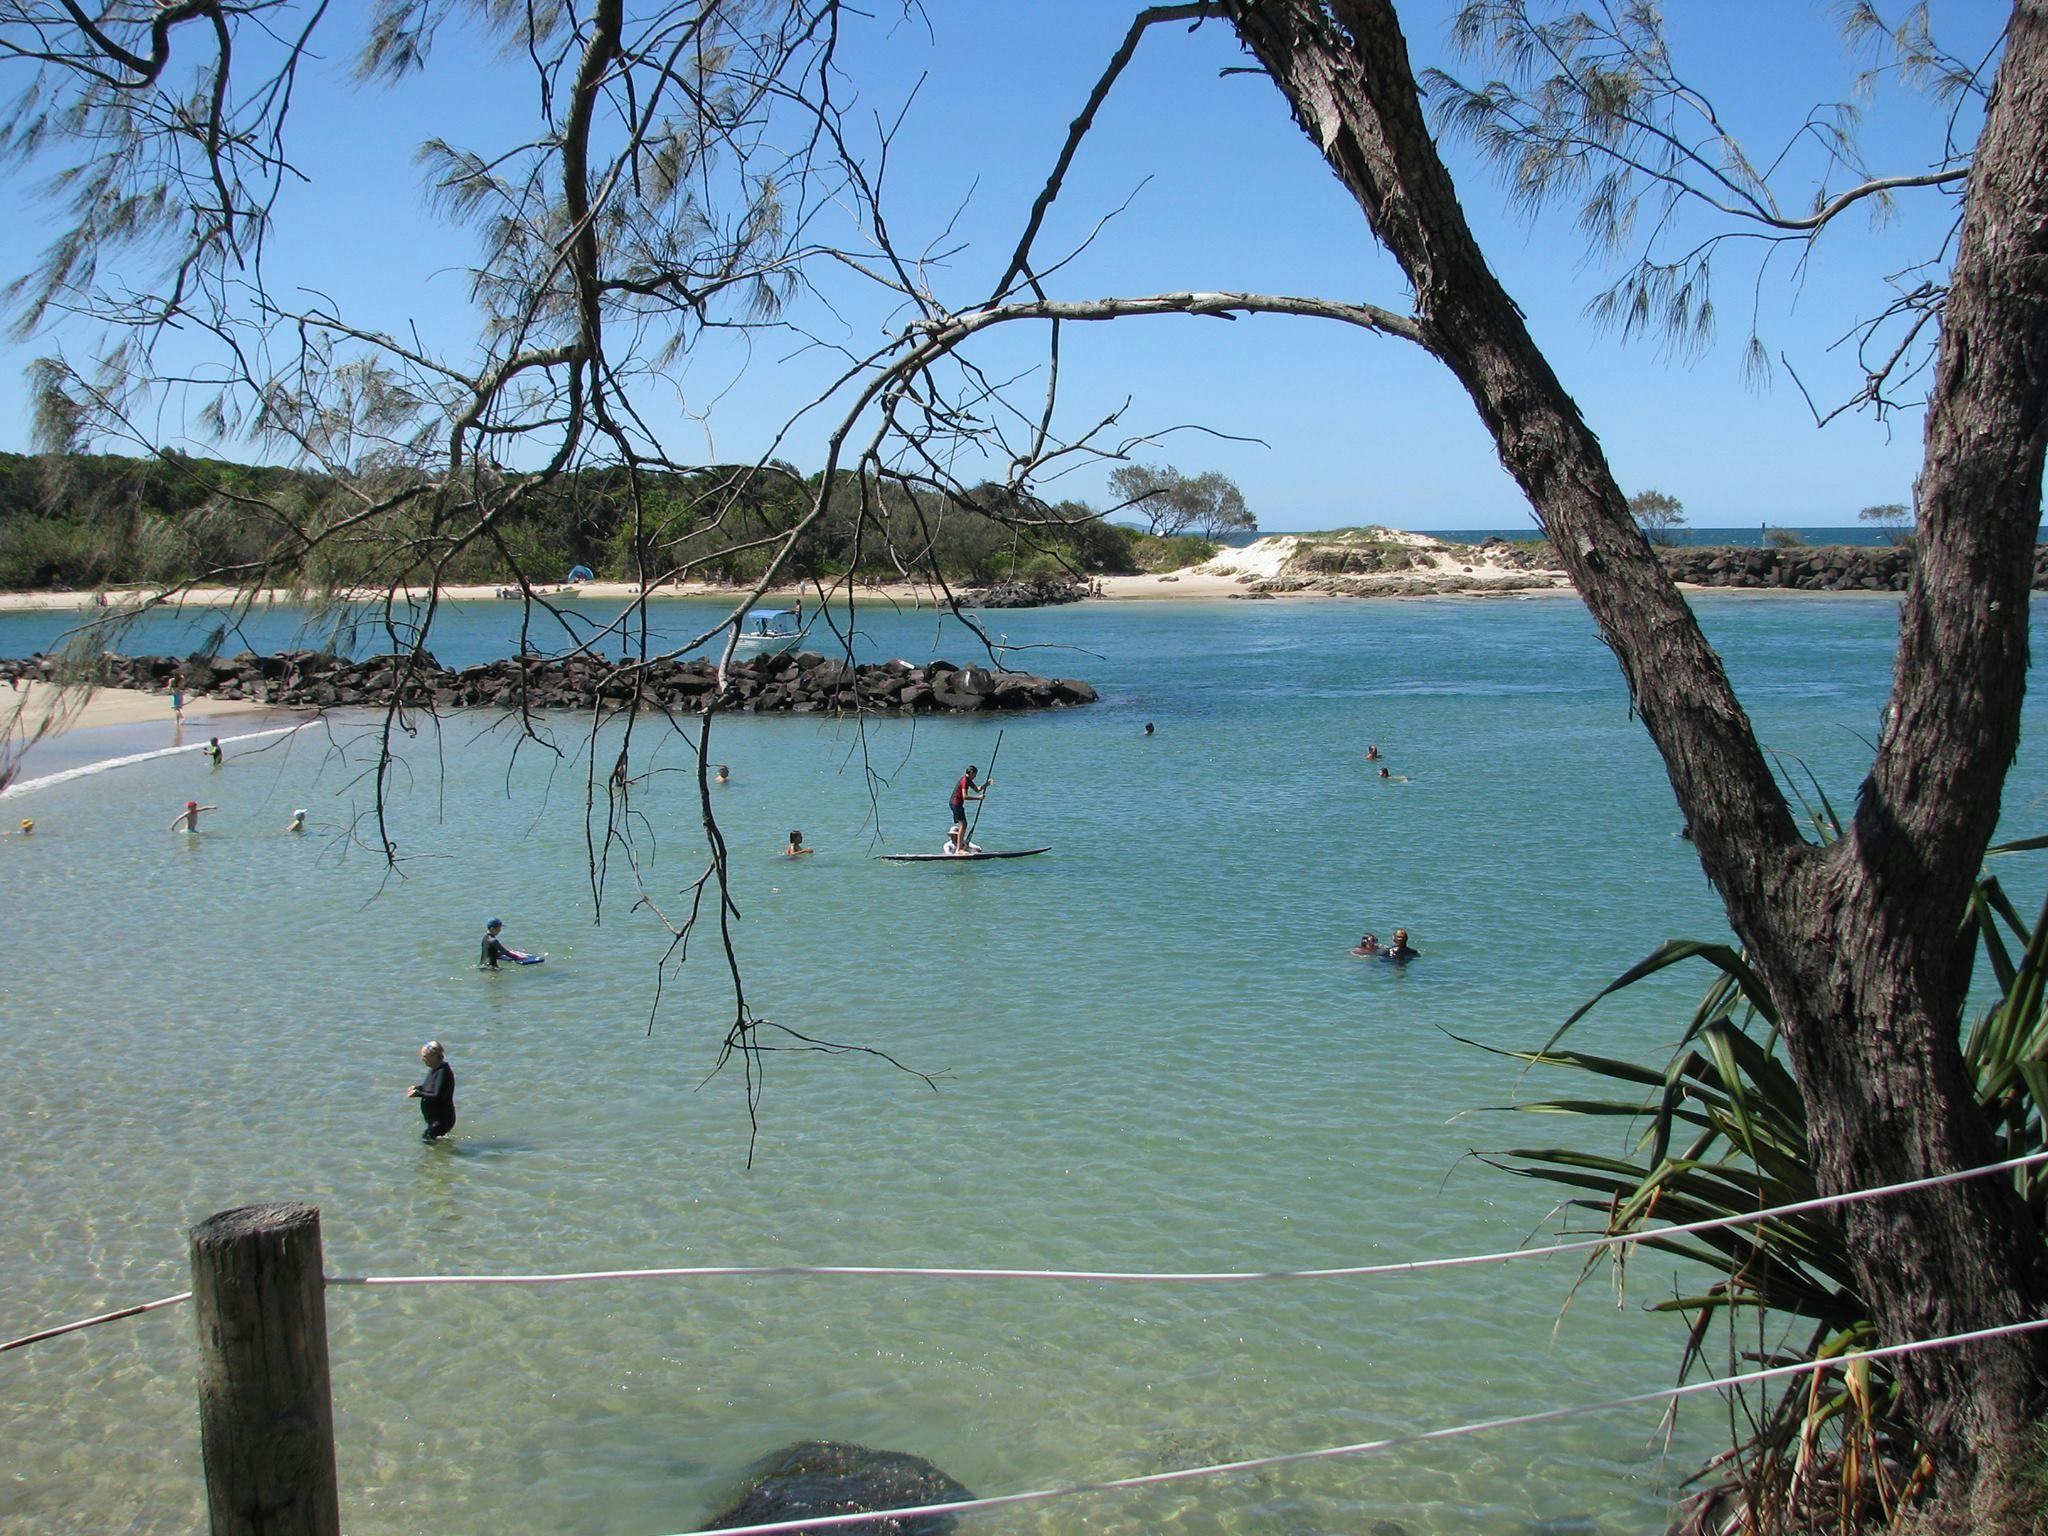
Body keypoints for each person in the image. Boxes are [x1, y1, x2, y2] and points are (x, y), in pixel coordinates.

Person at [406, 1041, 456, 1141]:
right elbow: (427, 1088)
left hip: (442, 1120)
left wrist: (418, 1094)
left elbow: (438, 1095)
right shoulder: (435, 1069)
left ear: (434, 1056)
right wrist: (417, 1088)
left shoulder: (443, 1072)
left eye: (425, 1057)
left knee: (427, 1140)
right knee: (433, 1142)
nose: (422, 1059)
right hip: (434, 1119)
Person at [949, 763, 990, 841]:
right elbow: (965, 796)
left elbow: (977, 790)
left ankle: (958, 842)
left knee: (963, 824)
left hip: (956, 804)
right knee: (963, 824)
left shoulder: (968, 780)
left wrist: (986, 784)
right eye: (974, 774)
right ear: (971, 773)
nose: (975, 776)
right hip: (955, 803)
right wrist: (979, 798)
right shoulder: (964, 780)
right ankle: (959, 848)